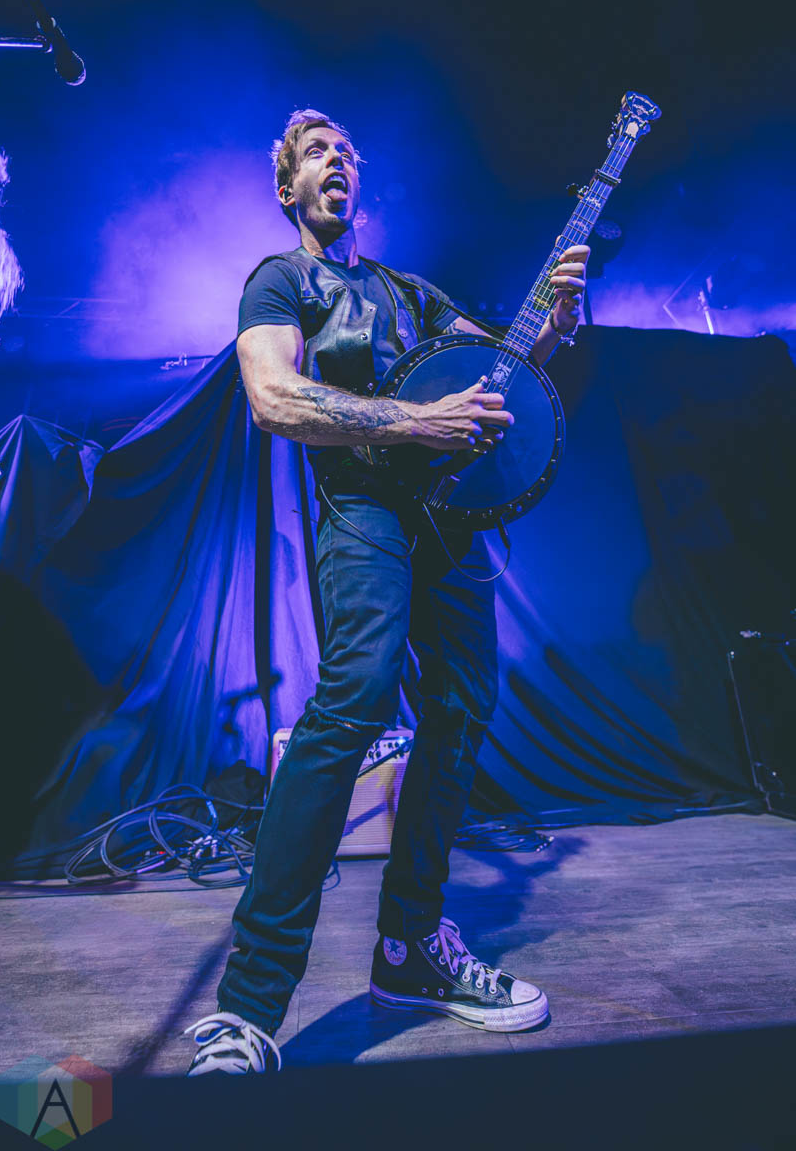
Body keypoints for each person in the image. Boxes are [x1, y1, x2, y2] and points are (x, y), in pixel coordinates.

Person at [185, 109, 589, 1074]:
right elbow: (273, 397)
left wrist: (555, 322)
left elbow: (499, 381)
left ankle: (410, 949)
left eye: (347, 153)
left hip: (447, 520)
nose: (338, 162)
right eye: (317, 153)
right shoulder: (280, 280)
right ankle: (249, 1007)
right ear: (288, 188)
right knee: (357, 693)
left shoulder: (412, 292)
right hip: (362, 505)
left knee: (465, 702)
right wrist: (413, 421)